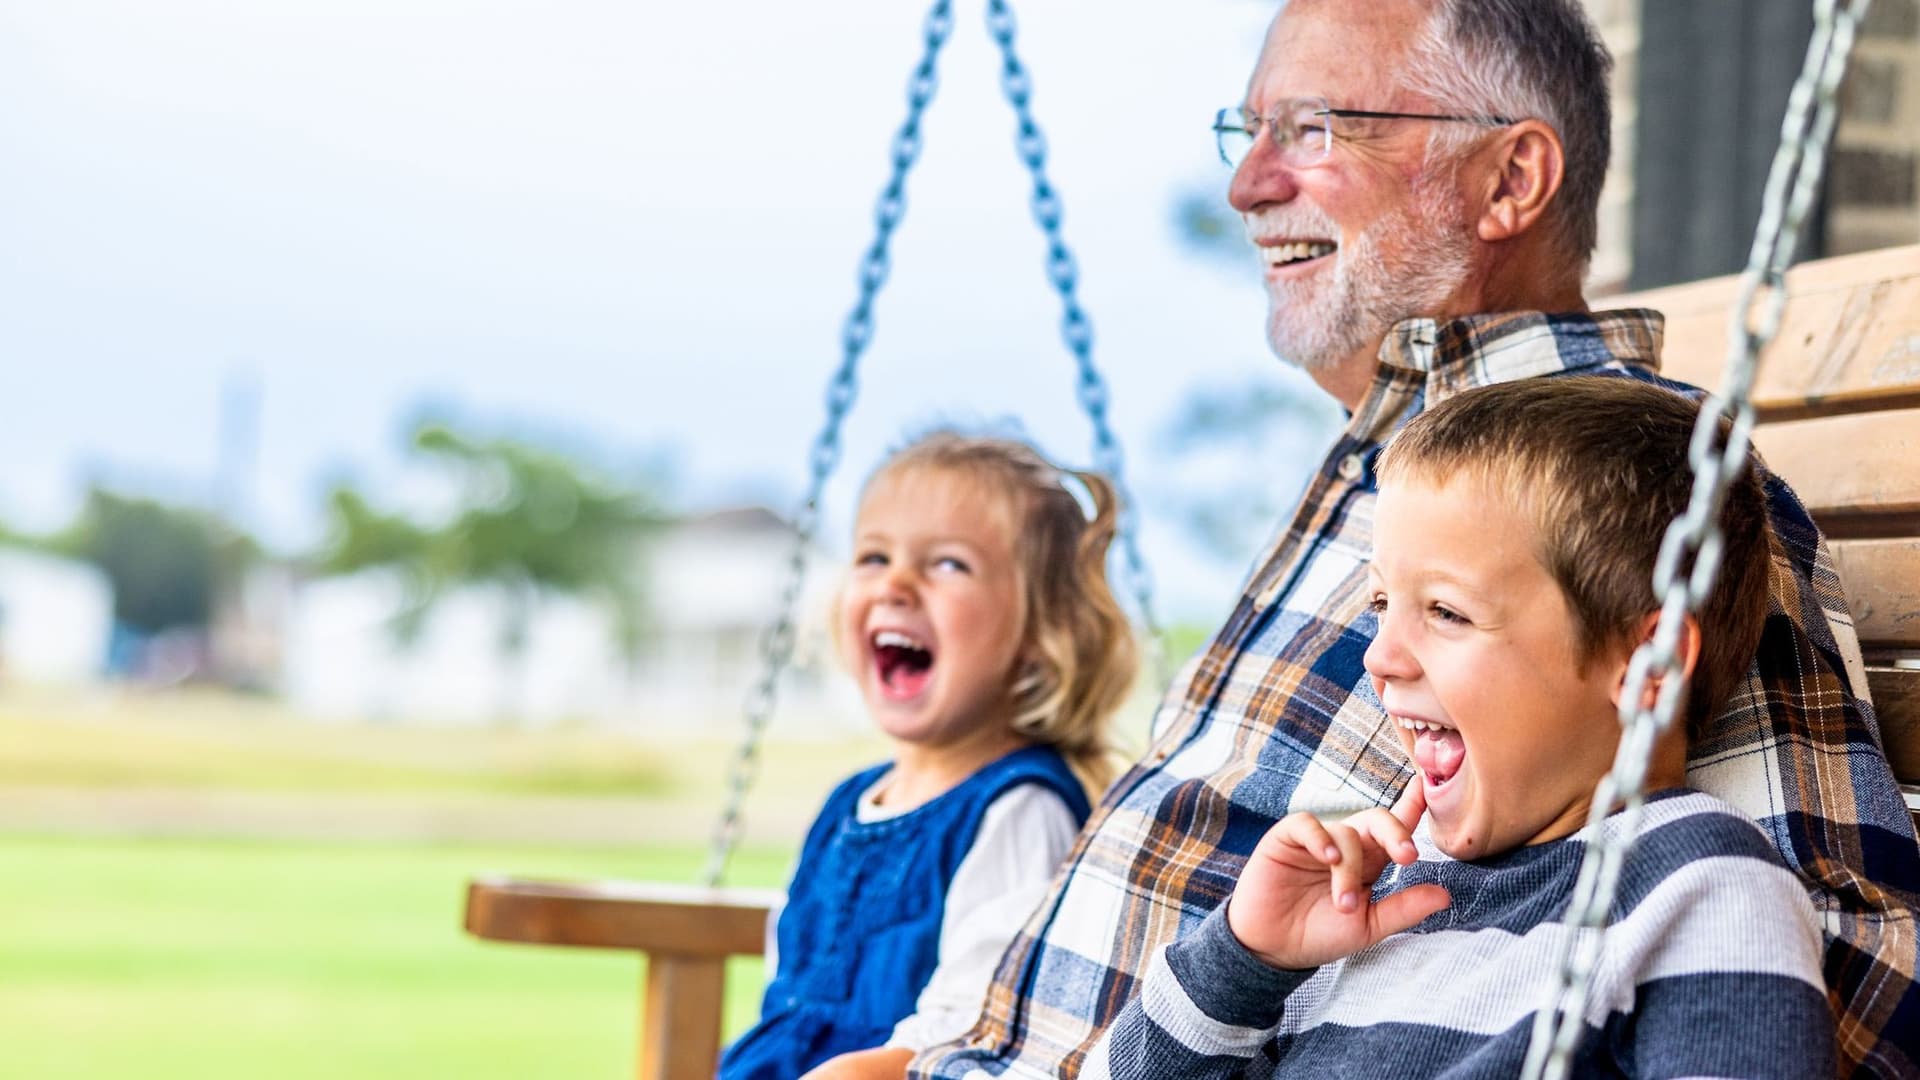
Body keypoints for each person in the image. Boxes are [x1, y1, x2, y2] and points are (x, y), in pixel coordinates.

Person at [881, 1, 1920, 1076]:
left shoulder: (1622, 498)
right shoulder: (1399, 481)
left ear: (1509, 180)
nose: (1247, 185)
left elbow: (1843, 986)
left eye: (1316, 127)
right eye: (1252, 135)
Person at [1084, 376, 1833, 1077]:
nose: (1378, 656)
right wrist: (1245, 961)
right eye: (1381, 604)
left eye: (1447, 611)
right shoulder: (1376, 902)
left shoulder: (1700, 892)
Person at [718, 431, 1138, 1080]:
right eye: (873, 557)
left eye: (947, 564)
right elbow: (790, 986)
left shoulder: (1021, 810)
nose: (897, 585)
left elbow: (985, 1034)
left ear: (1040, 632)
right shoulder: (849, 804)